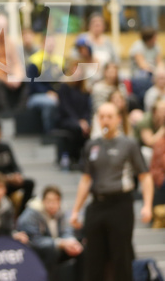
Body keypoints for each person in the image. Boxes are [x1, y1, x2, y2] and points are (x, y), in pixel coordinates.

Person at [70, 102, 153, 281]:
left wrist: (147, 205)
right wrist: (76, 210)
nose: (105, 120)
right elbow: (86, 180)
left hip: (120, 204)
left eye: (109, 116)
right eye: (101, 116)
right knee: (93, 258)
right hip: (97, 205)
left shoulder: (129, 144)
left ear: (118, 119)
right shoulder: (91, 145)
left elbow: (145, 177)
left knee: (121, 257)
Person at [17, 186, 83, 281]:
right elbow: (34, 240)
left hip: (56, 246)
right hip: (35, 251)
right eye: (49, 201)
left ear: (59, 202)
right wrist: (60, 243)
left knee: (80, 249)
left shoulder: (61, 211)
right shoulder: (30, 214)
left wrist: (71, 242)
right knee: (51, 250)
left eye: (55, 201)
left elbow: (67, 231)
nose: (52, 205)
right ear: (43, 201)